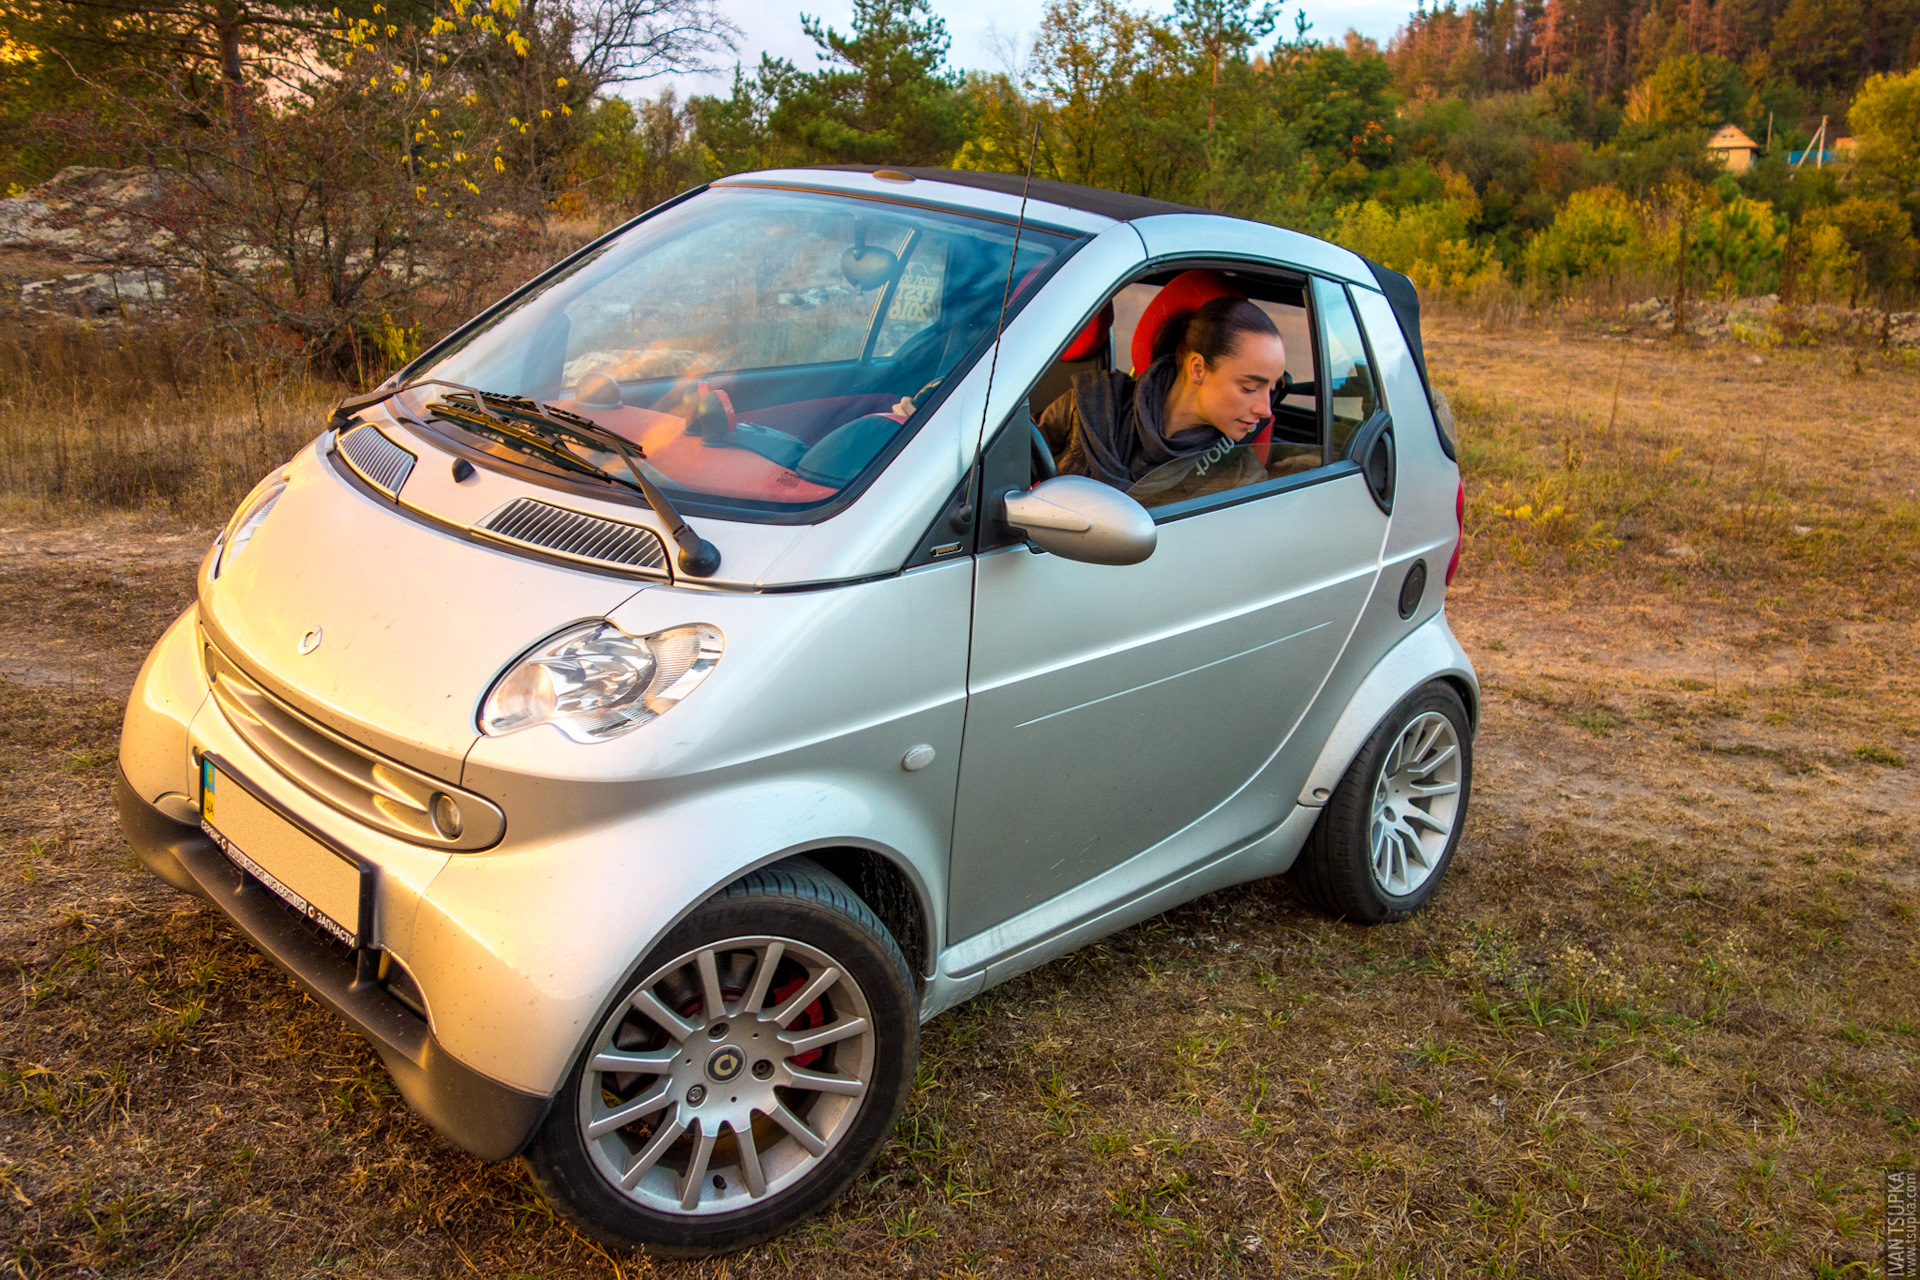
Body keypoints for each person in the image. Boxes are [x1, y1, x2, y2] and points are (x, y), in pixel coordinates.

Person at [1036, 296, 1287, 499]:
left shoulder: (1239, 476)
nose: (1266, 410)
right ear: (1198, 369)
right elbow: (1007, 469)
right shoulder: (1090, 403)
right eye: (1250, 387)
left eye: (1272, 389)